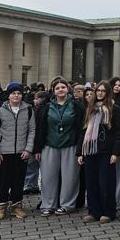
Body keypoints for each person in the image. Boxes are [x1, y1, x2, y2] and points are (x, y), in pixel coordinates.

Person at [34, 78, 84, 216]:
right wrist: (37, 148)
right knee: (48, 177)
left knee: (70, 177)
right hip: (49, 145)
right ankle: (48, 205)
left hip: (70, 145)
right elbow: (39, 128)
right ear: (53, 91)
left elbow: (81, 127)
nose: (60, 90)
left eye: (63, 87)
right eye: (57, 88)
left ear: (68, 89)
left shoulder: (76, 106)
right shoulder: (45, 107)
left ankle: (67, 205)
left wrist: (80, 149)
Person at [77, 81, 120, 223]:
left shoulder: (115, 109)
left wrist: (116, 153)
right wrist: (79, 152)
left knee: (106, 183)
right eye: (98, 90)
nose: (100, 93)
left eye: (103, 91)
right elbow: (83, 132)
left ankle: (108, 212)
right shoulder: (90, 109)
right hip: (90, 151)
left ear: (108, 93)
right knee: (91, 183)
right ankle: (93, 211)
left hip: (107, 151)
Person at [0, 82, 36, 220]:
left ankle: (16, 206)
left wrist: (28, 149)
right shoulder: (0, 112)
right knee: (2, 181)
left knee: (18, 181)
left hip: (21, 152)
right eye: (13, 93)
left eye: (19, 93)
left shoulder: (28, 110)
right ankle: (1, 206)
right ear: (8, 95)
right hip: (4, 152)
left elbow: (32, 130)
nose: (16, 95)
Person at [23, 90, 47, 194]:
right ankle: (31, 185)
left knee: (40, 165)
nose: (36, 101)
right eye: (36, 98)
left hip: (40, 141)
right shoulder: (30, 109)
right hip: (31, 141)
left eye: (38, 98)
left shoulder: (45, 109)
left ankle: (35, 185)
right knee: (31, 164)